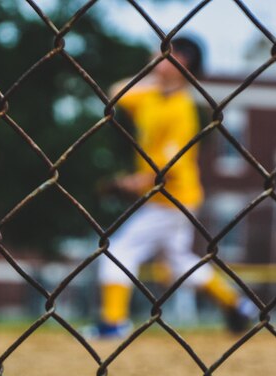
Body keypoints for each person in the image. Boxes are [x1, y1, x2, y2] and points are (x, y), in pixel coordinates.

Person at [90, 36, 256, 339]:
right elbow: (115, 93)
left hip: (172, 199)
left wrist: (128, 184)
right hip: (164, 199)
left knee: (119, 250)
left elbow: (166, 172)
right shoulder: (151, 97)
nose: (156, 55)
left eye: (167, 53)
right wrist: (155, 73)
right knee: (178, 262)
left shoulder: (181, 111)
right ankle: (237, 304)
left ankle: (113, 322)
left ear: (181, 63)